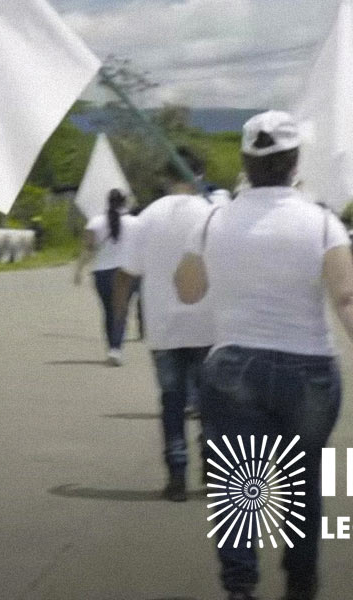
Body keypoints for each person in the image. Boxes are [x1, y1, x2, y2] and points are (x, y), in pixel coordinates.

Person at [181, 111, 353, 600]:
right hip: (310, 371)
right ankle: (301, 585)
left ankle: (240, 587)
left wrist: (200, 238)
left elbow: (188, 291)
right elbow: (350, 297)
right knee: (303, 485)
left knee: (237, 487)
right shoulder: (322, 224)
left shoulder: (215, 219)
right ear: (294, 162)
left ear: (245, 162)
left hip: (233, 366)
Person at [111, 148, 214, 501]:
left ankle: (176, 475)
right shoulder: (213, 213)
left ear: (166, 178)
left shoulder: (146, 218)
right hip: (208, 325)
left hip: (164, 327)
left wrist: (118, 322)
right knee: (210, 403)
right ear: (199, 174)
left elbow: (127, 275)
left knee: (172, 401)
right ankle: (213, 469)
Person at [77, 187, 136, 364]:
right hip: (126, 273)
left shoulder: (95, 222)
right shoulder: (134, 222)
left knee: (109, 312)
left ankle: (112, 347)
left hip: (101, 273)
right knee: (121, 312)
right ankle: (116, 349)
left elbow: (88, 248)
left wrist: (79, 270)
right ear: (124, 202)